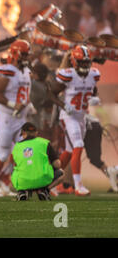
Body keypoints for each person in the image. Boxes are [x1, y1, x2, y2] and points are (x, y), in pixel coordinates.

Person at [49, 45, 100, 196]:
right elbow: (51, 93)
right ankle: (78, 186)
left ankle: (50, 182)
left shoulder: (94, 74)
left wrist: (95, 97)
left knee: (69, 152)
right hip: (68, 117)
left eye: (87, 62)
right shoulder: (68, 75)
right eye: (82, 62)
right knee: (78, 145)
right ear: (74, 62)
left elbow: (93, 89)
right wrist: (63, 105)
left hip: (81, 117)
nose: (85, 65)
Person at [0, 39, 33, 197]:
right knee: (3, 154)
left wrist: (28, 104)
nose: (26, 58)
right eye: (24, 54)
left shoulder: (25, 71)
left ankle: (5, 180)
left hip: (20, 118)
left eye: (27, 54)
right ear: (16, 53)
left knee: (22, 152)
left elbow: (24, 93)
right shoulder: (8, 70)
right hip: (5, 116)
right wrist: (13, 104)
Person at [11, 122, 65, 201]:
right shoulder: (45, 143)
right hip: (42, 180)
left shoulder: (16, 146)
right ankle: (44, 190)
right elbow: (57, 164)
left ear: (23, 133)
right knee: (61, 173)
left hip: (23, 181)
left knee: (14, 173)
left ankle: (21, 192)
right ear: (36, 133)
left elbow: (17, 165)